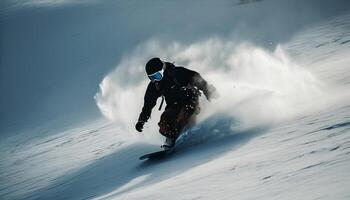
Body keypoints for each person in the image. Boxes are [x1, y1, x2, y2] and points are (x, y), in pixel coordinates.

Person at [135, 57, 216, 149]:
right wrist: (141, 120)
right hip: (173, 106)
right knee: (164, 122)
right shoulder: (155, 85)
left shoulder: (177, 73)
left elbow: (196, 78)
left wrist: (207, 90)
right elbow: (148, 105)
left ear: (163, 69)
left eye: (157, 76)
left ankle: (194, 133)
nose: (155, 80)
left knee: (183, 117)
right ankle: (170, 138)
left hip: (190, 101)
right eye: (152, 78)